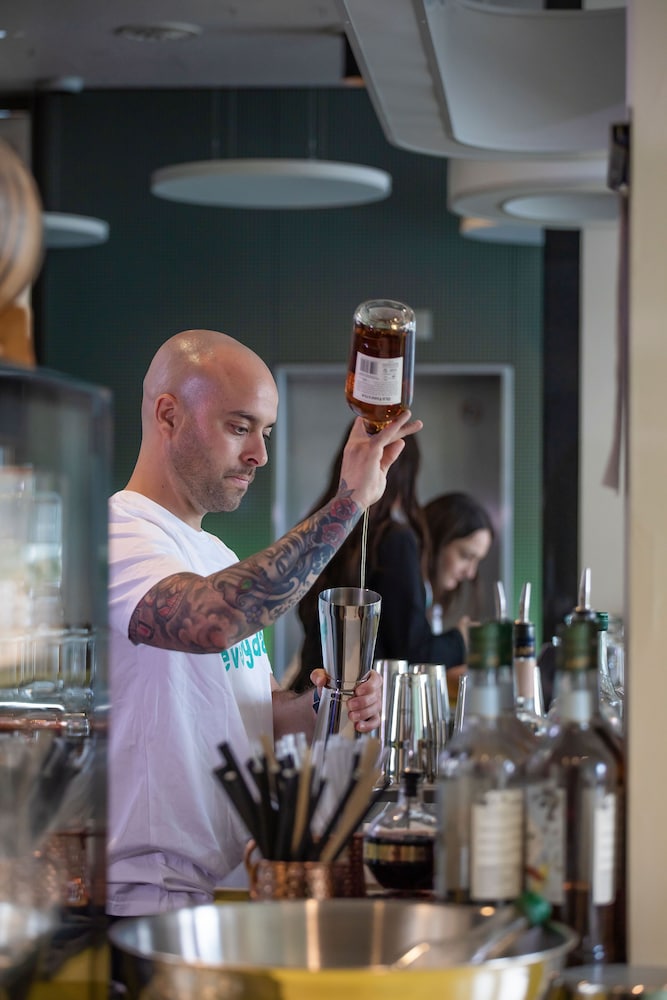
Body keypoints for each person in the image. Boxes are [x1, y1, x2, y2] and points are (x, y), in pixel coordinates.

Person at [106, 328, 421, 916]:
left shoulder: (217, 555)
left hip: (228, 884)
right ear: (168, 415)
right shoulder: (120, 535)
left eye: (266, 433)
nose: (259, 454)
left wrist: (330, 702)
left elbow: (263, 716)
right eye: (239, 427)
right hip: (147, 896)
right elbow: (213, 622)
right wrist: (349, 502)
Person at [289, 427, 467, 694]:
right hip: (360, 702)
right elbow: (411, 650)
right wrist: (461, 640)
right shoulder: (394, 540)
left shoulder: (319, 529)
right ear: (406, 473)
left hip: (311, 691)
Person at [422, 491, 494, 693]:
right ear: (437, 540)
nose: (470, 573)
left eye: (477, 561)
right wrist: (461, 638)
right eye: (465, 556)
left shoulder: (431, 601)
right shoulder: (411, 590)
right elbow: (414, 655)